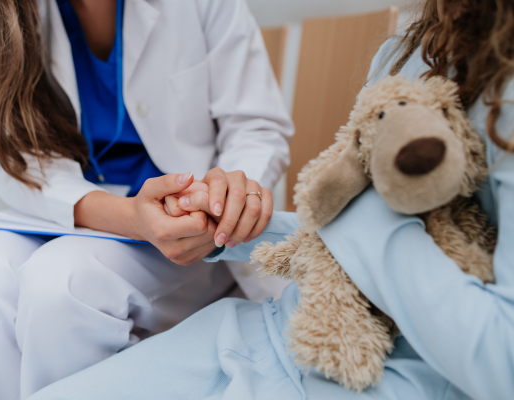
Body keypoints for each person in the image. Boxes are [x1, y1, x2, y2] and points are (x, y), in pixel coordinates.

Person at [28, 0, 514, 399]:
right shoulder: (405, 54)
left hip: (381, 376)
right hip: (279, 331)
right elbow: (339, 245)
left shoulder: (503, 107)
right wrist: (220, 224)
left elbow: (502, 362)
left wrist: (351, 211)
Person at [0, 0, 293, 399]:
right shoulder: (6, 11)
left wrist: (223, 195)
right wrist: (128, 215)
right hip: (63, 209)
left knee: (64, 286)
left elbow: (255, 127)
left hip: (187, 231)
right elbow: (11, 153)